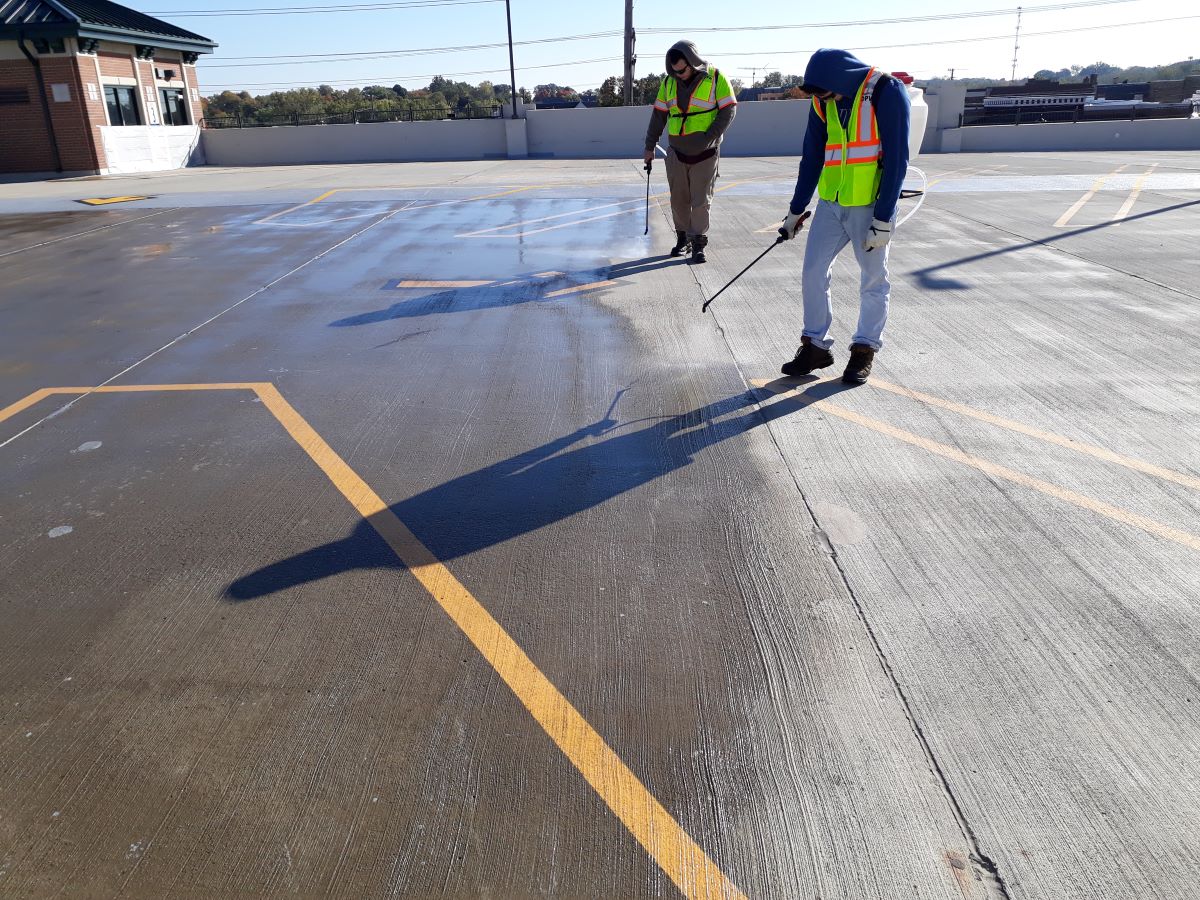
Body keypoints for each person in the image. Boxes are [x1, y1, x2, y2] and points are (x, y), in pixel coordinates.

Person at [779, 49, 910, 384]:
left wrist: (884, 217)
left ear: (840, 78)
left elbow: (897, 160)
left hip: (869, 205)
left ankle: (864, 350)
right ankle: (816, 347)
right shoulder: (823, 101)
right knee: (812, 272)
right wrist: (795, 211)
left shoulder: (886, 90)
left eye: (825, 91)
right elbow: (812, 157)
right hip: (832, 202)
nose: (822, 99)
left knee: (873, 279)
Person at [643, 41, 738, 264]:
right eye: (674, 71)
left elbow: (729, 111)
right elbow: (658, 117)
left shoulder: (715, 77)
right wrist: (649, 147)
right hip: (676, 154)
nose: (679, 75)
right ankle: (683, 238)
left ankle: (698, 243)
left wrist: (709, 137)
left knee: (700, 202)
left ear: (693, 62)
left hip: (705, 154)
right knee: (678, 201)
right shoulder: (668, 82)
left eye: (682, 70)